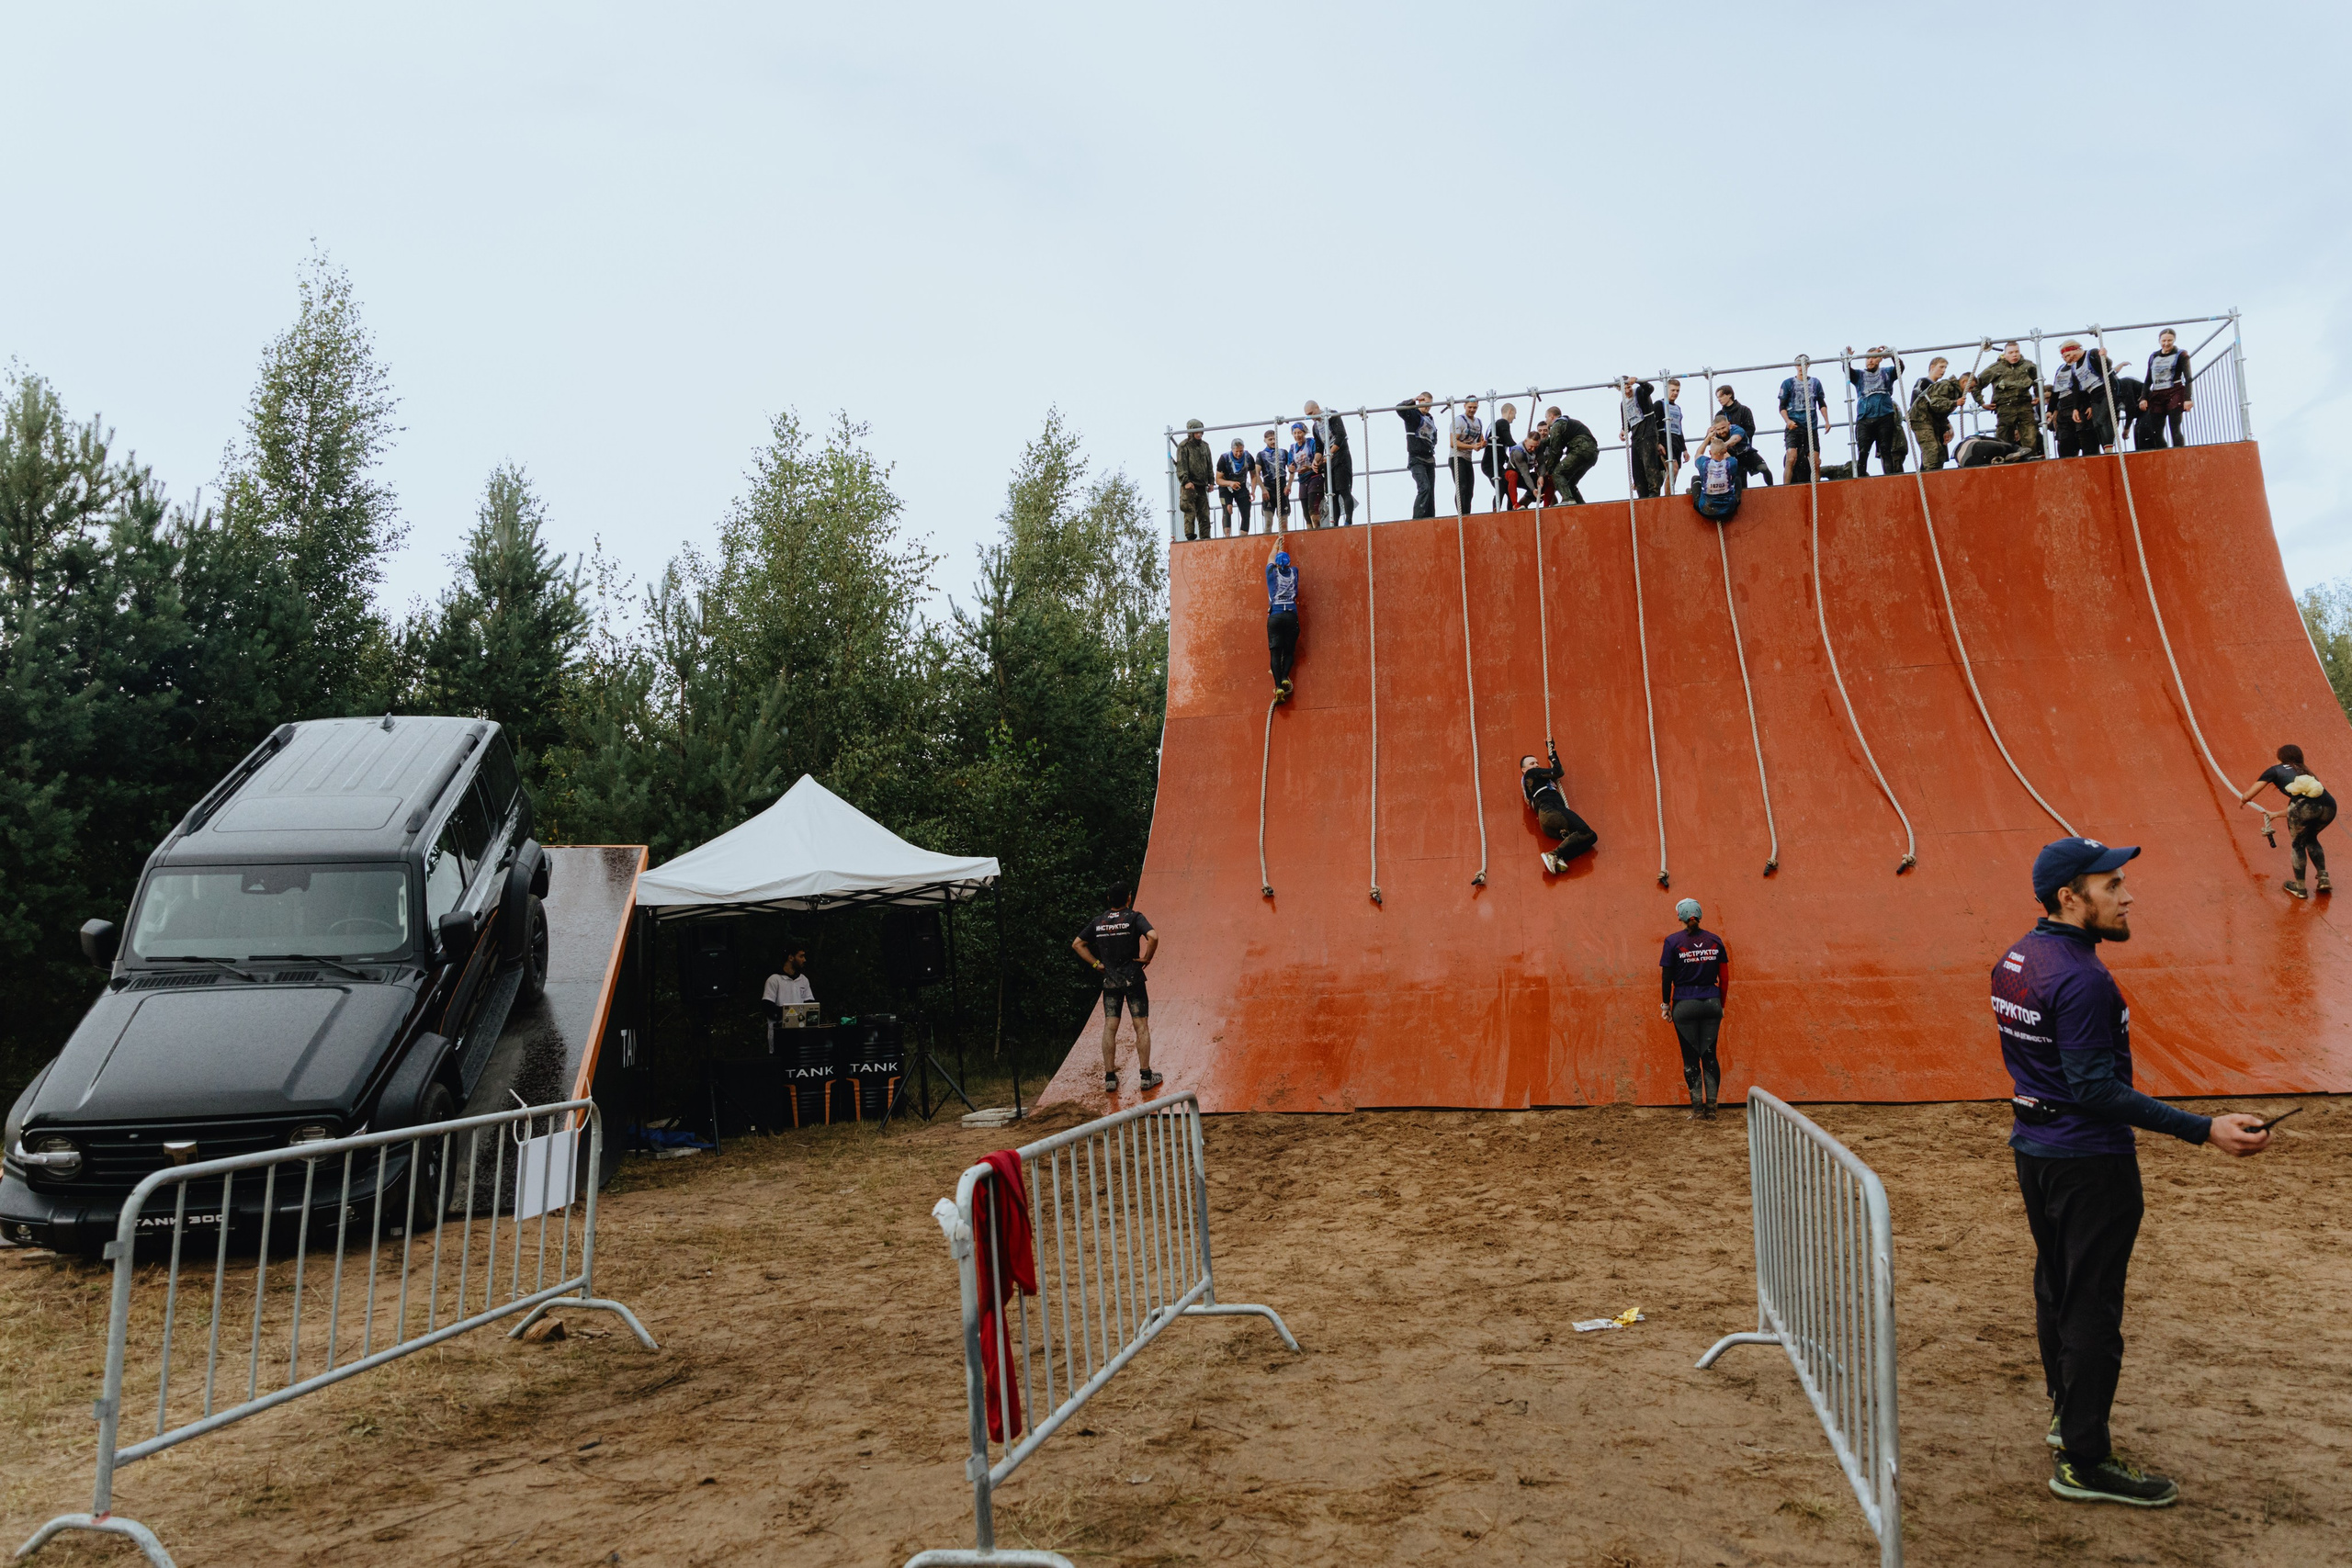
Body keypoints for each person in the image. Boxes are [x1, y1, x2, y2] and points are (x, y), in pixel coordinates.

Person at [1995, 838, 2270, 1506]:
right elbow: (2095, 1089)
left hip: (2036, 1149)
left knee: (2057, 1286)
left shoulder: (2016, 958)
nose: (2128, 895)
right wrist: (2204, 1128)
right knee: (2091, 1305)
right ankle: (2084, 1459)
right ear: (2070, 896)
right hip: (2090, 1162)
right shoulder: (2083, 978)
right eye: (2112, 884)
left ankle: (2066, 1414)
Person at [1072, 886, 1161, 1092]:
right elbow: (1153, 937)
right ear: (1129, 898)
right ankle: (1146, 1076)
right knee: (1141, 1026)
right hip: (1133, 980)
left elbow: (1077, 944)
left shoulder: (1099, 921)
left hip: (1110, 981)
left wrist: (1096, 965)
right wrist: (1148, 957)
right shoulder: (1134, 917)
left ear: (1108, 899)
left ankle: (1110, 1077)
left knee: (1110, 1027)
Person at [1658, 898, 1727, 1119]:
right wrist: (1721, 1005)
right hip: (1711, 1002)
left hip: (1684, 1004)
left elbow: (1666, 978)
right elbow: (1724, 979)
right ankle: (1712, 1110)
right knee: (1710, 1056)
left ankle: (1697, 1110)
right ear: (1700, 915)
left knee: (1690, 1058)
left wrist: (1666, 1006)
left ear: (1679, 916)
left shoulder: (1672, 942)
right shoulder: (1715, 940)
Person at [2239, 743, 2335, 897]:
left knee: (2298, 844)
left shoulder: (2275, 770)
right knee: (2311, 838)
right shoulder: (2306, 772)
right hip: (2329, 806)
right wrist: (2275, 814)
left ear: (2280, 758)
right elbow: (2306, 806)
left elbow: (2252, 794)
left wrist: (2243, 800)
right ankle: (2323, 877)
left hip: (2304, 808)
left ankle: (2300, 887)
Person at [1521, 743, 1597, 873]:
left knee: (1591, 837)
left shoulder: (1530, 788)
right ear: (1524, 769)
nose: (1536, 766)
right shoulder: (1531, 774)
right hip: (1551, 809)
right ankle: (1553, 855)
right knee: (1584, 830)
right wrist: (1553, 756)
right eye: (1532, 763)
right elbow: (1558, 771)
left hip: (1546, 821)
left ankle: (1559, 857)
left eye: (1537, 763)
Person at [1973, 342, 2046, 458]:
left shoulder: (2029, 366)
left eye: (2017, 352)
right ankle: (2004, 462)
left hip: (2024, 406)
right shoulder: (1995, 369)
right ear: (2005, 354)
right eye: (2011, 352)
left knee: (2030, 438)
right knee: (2004, 440)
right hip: (2005, 407)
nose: (2014, 355)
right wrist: (1981, 403)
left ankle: (2030, 461)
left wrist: (2038, 395)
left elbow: (2039, 380)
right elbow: (1976, 385)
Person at [1844, 345, 1907, 476]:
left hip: (1884, 417)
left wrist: (1892, 356)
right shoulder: (1859, 375)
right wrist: (1847, 359)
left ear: (1880, 359)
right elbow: (1847, 371)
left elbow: (1900, 369)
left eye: (1873, 358)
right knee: (1863, 451)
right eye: (1867, 358)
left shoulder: (1887, 372)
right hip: (1864, 419)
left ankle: (1889, 477)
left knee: (1885, 450)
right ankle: (1861, 479)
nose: (1870, 361)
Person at [2049, 340, 2114, 459]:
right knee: (2067, 441)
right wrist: (2051, 409)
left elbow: (2106, 368)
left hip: (2094, 397)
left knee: (2094, 428)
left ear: (2076, 349)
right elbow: (2061, 390)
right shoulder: (2067, 369)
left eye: (2069, 355)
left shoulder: (2089, 356)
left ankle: (2105, 451)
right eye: (2064, 358)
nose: (2068, 359)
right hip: (2073, 404)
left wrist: (2104, 357)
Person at [1907, 357, 1970, 472]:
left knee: (1938, 453)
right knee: (1931, 450)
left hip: (1935, 422)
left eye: (1945, 368)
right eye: (1941, 367)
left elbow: (1940, 411)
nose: (1944, 370)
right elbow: (1925, 405)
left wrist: (1947, 427)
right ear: (1932, 367)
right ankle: (1927, 478)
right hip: (1922, 420)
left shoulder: (1941, 387)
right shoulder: (1924, 383)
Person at [2139, 331, 2193, 450]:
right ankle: (2163, 453)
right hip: (2157, 393)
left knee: (2174, 427)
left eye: (2169, 340)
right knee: (2156, 431)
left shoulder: (2181, 354)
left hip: (2175, 392)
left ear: (2174, 340)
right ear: (2159, 341)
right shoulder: (2154, 356)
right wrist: (2143, 397)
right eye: (2164, 341)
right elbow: (2148, 379)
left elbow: (2188, 378)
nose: (2166, 344)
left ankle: (2179, 454)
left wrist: (2188, 399)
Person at [1778, 366, 1830, 485]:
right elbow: (1782, 406)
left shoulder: (1815, 383)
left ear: (1808, 366)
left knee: (1815, 462)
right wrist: (1788, 421)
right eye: (1799, 365)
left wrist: (1826, 421)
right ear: (1796, 366)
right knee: (1791, 458)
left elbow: (1821, 403)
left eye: (1804, 364)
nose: (1801, 367)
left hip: (1811, 427)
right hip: (1794, 426)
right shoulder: (1788, 383)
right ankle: (1785, 487)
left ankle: (1817, 488)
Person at [1308, 400, 1357, 525]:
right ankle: (1334, 524)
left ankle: (1348, 520)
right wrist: (1315, 461)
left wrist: (1330, 454)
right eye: (1308, 415)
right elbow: (1319, 447)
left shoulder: (1332, 415)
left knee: (1344, 490)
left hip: (1341, 456)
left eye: (1312, 413)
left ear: (1317, 408)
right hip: (1329, 461)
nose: (1311, 417)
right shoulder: (1315, 427)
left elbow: (1341, 436)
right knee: (1332, 493)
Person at [760, 941, 815, 1053]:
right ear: (791, 957)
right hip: (780, 1036)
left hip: (801, 1037)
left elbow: (811, 1007)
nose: (804, 960)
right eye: (801, 956)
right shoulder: (774, 979)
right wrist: (791, 1014)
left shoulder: (803, 980)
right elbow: (768, 1008)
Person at [1541, 405, 1600, 503]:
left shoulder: (1557, 425)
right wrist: (1540, 443)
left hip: (1580, 450)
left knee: (1558, 473)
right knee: (1570, 483)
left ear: (1551, 416)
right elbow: (1555, 440)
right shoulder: (1568, 423)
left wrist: (1549, 469)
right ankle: (1581, 505)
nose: (1546, 421)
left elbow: (1556, 450)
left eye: (1546, 417)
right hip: (1592, 454)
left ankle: (1568, 500)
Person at [1620, 378, 1667, 498]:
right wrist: (1623, 430)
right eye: (1624, 389)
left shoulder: (1640, 392)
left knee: (1649, 465)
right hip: (1635, 438)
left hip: (1648, 434)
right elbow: (1626, 423)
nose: (1627, 391)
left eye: (1629, 387)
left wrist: (1638, 381)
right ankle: (1642, 495)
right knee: (1637, 470)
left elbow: (1650, 388)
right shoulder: (1623, 404)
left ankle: (1654, 493)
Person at [1715, 385, 1772, 483]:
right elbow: (1717, 434)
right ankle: (1740, 498)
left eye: (1721, 396)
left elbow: (1751, 429)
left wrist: (1740, 439)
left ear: (1729, 395)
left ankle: (1772, 490)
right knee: (1740, 480)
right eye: (1717, 398)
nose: (1719, 399)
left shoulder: (1744, 410)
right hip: (1730, 453)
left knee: (1764, 469)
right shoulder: (1719, 415)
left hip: (1746, 450)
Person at [1266, 540, 1300, 702]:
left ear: (1277, 565)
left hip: (1275, 616)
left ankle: (1278, 686)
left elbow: (1270, 559)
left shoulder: (1271, 573)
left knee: (1275, 653)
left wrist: (1275, 547)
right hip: (1291, 615)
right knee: (1289, 651)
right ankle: (1285, 676)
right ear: (1289, 563)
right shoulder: (1294, 572)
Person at [1396, 392, 1439, 519]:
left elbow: (1434, 436)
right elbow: (1399, 408)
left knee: (1430, 492)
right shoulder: (1412, 413)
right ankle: (1417, 519)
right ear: (1420, 402)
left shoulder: (1430, 419)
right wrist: (1413, 399)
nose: (1427, 407)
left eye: (1430, 405)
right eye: (1425, 404)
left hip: (1429, 459)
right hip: (1416, 458)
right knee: (1424, 487)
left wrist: (1432, 445)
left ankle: (1431, 518)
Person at [1689, 434, 1744, 520]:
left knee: (1695, 478)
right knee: (1737, 479)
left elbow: (1698, 454)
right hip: (1729, 510)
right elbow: (1727, 456)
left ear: (1710, 452)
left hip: (1706, 510)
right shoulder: (1731, 463)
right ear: (1725, 450)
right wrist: (1718, 441)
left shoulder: (1704, 464)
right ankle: (1737, 499)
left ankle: (1695, 495)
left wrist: (1708, 438)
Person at [1175, 420, 1213, 541]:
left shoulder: (1205, 446)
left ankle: (1206, 537)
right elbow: (1181, 465)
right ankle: (1190, 536)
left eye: (1200, 431)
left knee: (1204, 514)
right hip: (1189, 485)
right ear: (1190, 432)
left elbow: (1209, 465)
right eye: (1196, 432)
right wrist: (1185, 481)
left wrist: (1211, 481)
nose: (1199, 434)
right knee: (1189, 510)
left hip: (1202, 485)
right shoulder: (1183, 446)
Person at [1450, 397, 1487, 513]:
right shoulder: (1459, 420)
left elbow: (1480, 441)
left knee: (1470, 490)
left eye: (1474, 407)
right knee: (1462, 487)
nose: (1472, 410)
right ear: (1464, 406)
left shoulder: (1478, 422)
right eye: (1470, 407)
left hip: (1468, 458)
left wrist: (1482, 444)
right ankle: (1462, 514)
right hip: (1456, 457)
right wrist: (1472, 447)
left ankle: (1467, 513)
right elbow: (1453, 443)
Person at [1287, 421, 1326, 528]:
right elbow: (1291, 466)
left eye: (1299, 433)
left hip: (1314, 476)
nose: (1297, 435)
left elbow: (1320, 459)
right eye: (1295, 433)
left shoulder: (1311, 443)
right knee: (1306, 512)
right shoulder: (1292, 448)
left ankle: (1318, 531)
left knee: (1313, 509)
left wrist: (1309, 468)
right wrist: (1290, 469)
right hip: (1302, 480)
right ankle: (1310, 534)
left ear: (1304, 432)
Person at [1215, 437, 1256, 536]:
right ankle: (1227, 536)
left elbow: (1254, 475)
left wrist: (1253, 490)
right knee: (1228, 509)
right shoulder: (1224, 459)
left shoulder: (1248, 457)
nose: (1238, 454)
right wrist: (1230, 483)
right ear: (1232, 449)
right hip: (1226, 486)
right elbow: (1218, 480)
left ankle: (1243, 536)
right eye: (1236, 451)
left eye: (1241, 451)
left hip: (1241, 485)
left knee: (1246, 511)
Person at [1255, 428, 1289, 530]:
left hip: (1282, 490)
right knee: (1268, 522)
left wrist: (1289, 485)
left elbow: (1292, 469)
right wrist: (1263, 489)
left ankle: (1284, 543)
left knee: (1284, 523)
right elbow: (1257, 473)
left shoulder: (1284, 452)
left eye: (1275, 439)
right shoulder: (1261, 454)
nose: (1273, 441)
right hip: (1269, 490)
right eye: (1270, 439)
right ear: (1265, 440)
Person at [1487, 401, 1518, 509]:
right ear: (1510, 411)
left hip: (1494, 462)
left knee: (1506, 486)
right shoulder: (1503, 423)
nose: (1514, 418)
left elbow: (1498, 447)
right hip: (1491, 463)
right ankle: (1497, 512)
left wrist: (1507, 458)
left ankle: (1507, 510)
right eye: (1514, 415)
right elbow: (1510, 442)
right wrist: (1523, 449)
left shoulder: (1494, 425)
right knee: (1500, 486)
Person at [1665, 379, 1690, 488]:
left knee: (1676, 472)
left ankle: (1671, 495)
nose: (1675, 393)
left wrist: (1684, 449)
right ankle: (1667, 498)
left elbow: (1680, 429)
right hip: (1665, 441)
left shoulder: (1677, 408)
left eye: (1677, 391)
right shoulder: (1659, 404)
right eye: (1673, 390)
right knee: (1672, 469)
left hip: (1677, 442)